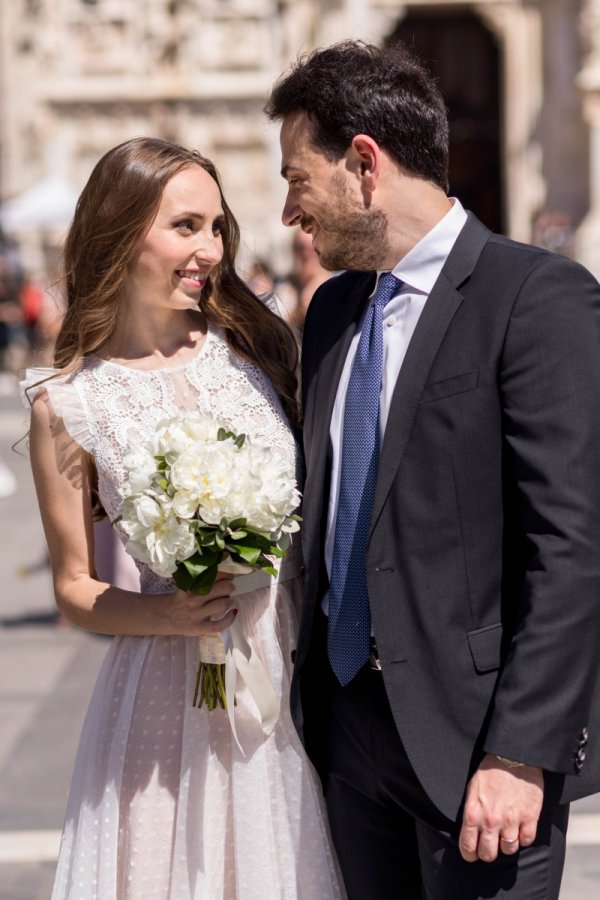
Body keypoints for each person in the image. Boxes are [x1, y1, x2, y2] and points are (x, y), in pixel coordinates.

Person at [265, 39, 600, 900]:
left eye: (298, 178)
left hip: (478, 752)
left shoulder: (537, 298)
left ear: (364, 164)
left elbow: (573, 547)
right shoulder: (334, 309)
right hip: (348, 740)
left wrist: (521, 751)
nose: (289, 212)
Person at [21, 137, 344, 899]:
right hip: (167, 693)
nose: (209, 249)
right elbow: (73, 587)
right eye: (186, 227)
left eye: (217, 226)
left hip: (289, 665)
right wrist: (172, 614)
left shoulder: (259, 349)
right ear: (121, 231)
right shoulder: (67, 403)